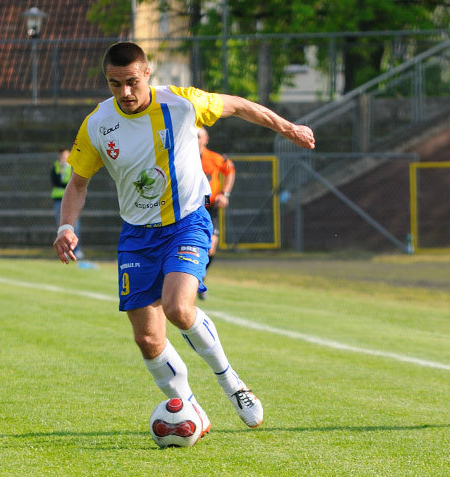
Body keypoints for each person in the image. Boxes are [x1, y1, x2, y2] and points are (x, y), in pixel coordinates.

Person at [53, 41, 315, 434]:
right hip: (137, 235)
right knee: (147, 338)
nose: (124, 92)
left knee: (178, 308)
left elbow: (240, 106)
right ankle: (191, 409)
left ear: (146, 75)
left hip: (186, 222)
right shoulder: (96, 124)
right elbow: (77, 184)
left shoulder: (181, 102)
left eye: (131, 82)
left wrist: (288, 128)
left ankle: (232, 383)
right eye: (114, 84)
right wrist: (66, 227)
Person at [197, 126, 235, 300]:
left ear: (206, 139)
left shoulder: (214, 158)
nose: (196, 140)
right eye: (193, 136)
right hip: (188, 209)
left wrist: (224, 193)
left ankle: (199, 279)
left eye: (199, 136)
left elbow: (230, 170)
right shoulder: (182, 157)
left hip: (209, 208)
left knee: (210, 248)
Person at [51, 148, 83, 259]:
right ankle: (64, 250)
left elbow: (75, 184)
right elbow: (56, 182)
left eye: (65, 156)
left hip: (71, 201)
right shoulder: (56, 167)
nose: (63, 159)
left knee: (74, 226)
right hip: (59, 200)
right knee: (62, 227)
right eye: (62, 157)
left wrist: (69, 188)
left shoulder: (73, 168)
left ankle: (76, 249)